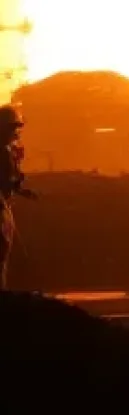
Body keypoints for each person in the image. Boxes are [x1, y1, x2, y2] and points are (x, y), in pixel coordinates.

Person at [0, 104, 31, 290]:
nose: (17, 133)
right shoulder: (4, 152)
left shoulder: (6, 151)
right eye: (15, 128)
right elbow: (8, 180)